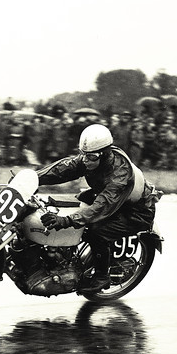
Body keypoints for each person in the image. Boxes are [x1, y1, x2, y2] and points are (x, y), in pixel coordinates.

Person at [36, 124, 162, 293]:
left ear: (105, 154)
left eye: (92, 157)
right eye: (84, 156)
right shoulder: (91, 159)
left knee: (97, 231)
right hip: (115, 201)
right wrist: (34, 178)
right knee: (70, 203)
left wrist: (66, 221)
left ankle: (102, 276)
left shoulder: (119, 176)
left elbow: (101, 207)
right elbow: (64, 169)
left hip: (136, 212)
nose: (86, 161)